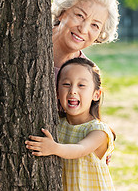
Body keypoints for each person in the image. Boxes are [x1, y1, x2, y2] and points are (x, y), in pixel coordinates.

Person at [26, 57, 116, 190]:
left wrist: (54, 148)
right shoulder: (55, 123)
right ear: (56, 92)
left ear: (96, 95)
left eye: (81, 85)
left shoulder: (98, 131)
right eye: (66, 84)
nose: (73, 90)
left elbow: (80, 149)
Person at [51, 0, 119, 77]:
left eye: (95, 25)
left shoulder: (88, 76)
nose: (83, 29)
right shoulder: (25, 40)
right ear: (62, 11)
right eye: (80, 15)